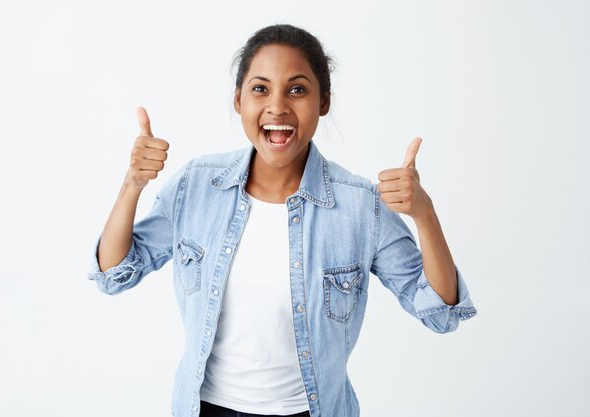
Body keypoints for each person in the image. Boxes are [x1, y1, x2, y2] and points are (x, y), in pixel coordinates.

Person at [88, 24, 477, 417]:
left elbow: (442, 312)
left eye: (297, 89)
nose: (277, 106)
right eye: (260, 89)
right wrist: (133, 183)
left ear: (323, 101)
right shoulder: (196, 184)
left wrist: (424, 215)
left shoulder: (361, 206)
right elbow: (113, 274)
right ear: (238, 100)